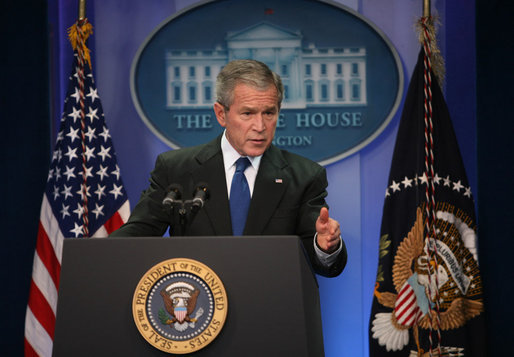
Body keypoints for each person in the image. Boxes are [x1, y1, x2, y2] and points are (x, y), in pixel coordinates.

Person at [111, 59, 347, 277]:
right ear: (221, 114)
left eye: (269, 113)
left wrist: (326, 245)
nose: (260, 126)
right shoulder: (176, 170)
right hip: (196, 310)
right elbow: (136, 235)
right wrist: (90, 252)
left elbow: (322, 262)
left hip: (272, 310)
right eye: (247, 113)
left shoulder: (304, 176)